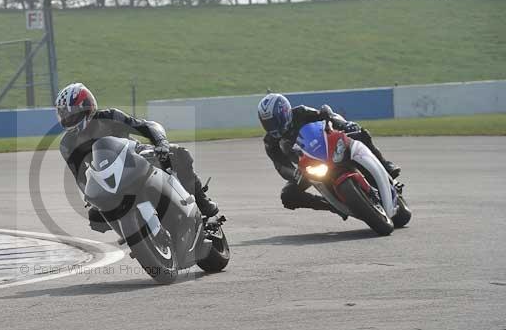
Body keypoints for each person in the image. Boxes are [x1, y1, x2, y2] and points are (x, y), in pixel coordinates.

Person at [55, 82, 219, 230]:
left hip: (138, 157)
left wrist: (161, 143)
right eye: (64, 115)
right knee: (95, 217)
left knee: (179, 154)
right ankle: (134, 235)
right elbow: (81, 178)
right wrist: (91, 201)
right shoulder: (67, 144)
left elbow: (145, 126)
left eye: (72, 114)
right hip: (108, 180)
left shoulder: (110, 116)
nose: (68, 119)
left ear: (87, 106)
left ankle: (202, 203)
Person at [258, 92, 401, 214]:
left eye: (274, 121)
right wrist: (294, 173)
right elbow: (280, 166)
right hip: (308, 169)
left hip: (329, 148)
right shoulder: (270, 142)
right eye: (267, 123)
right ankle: (331, 205)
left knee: (360, 134)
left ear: (284, 112)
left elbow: (326, 114)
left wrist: (344, 124)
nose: (272, 127)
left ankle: (385, 164)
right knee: (288, 196)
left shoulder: (300, 113)